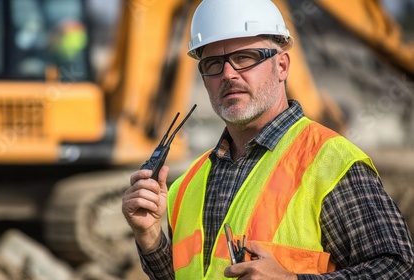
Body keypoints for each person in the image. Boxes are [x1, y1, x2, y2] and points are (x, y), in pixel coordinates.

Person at [121, 0, 414, 279]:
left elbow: (397, 269)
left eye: (244, 58)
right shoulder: (186, 185)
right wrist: (149, 237)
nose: (227, 74)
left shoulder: (331, 164)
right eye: (213, 63)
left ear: (282, 66)